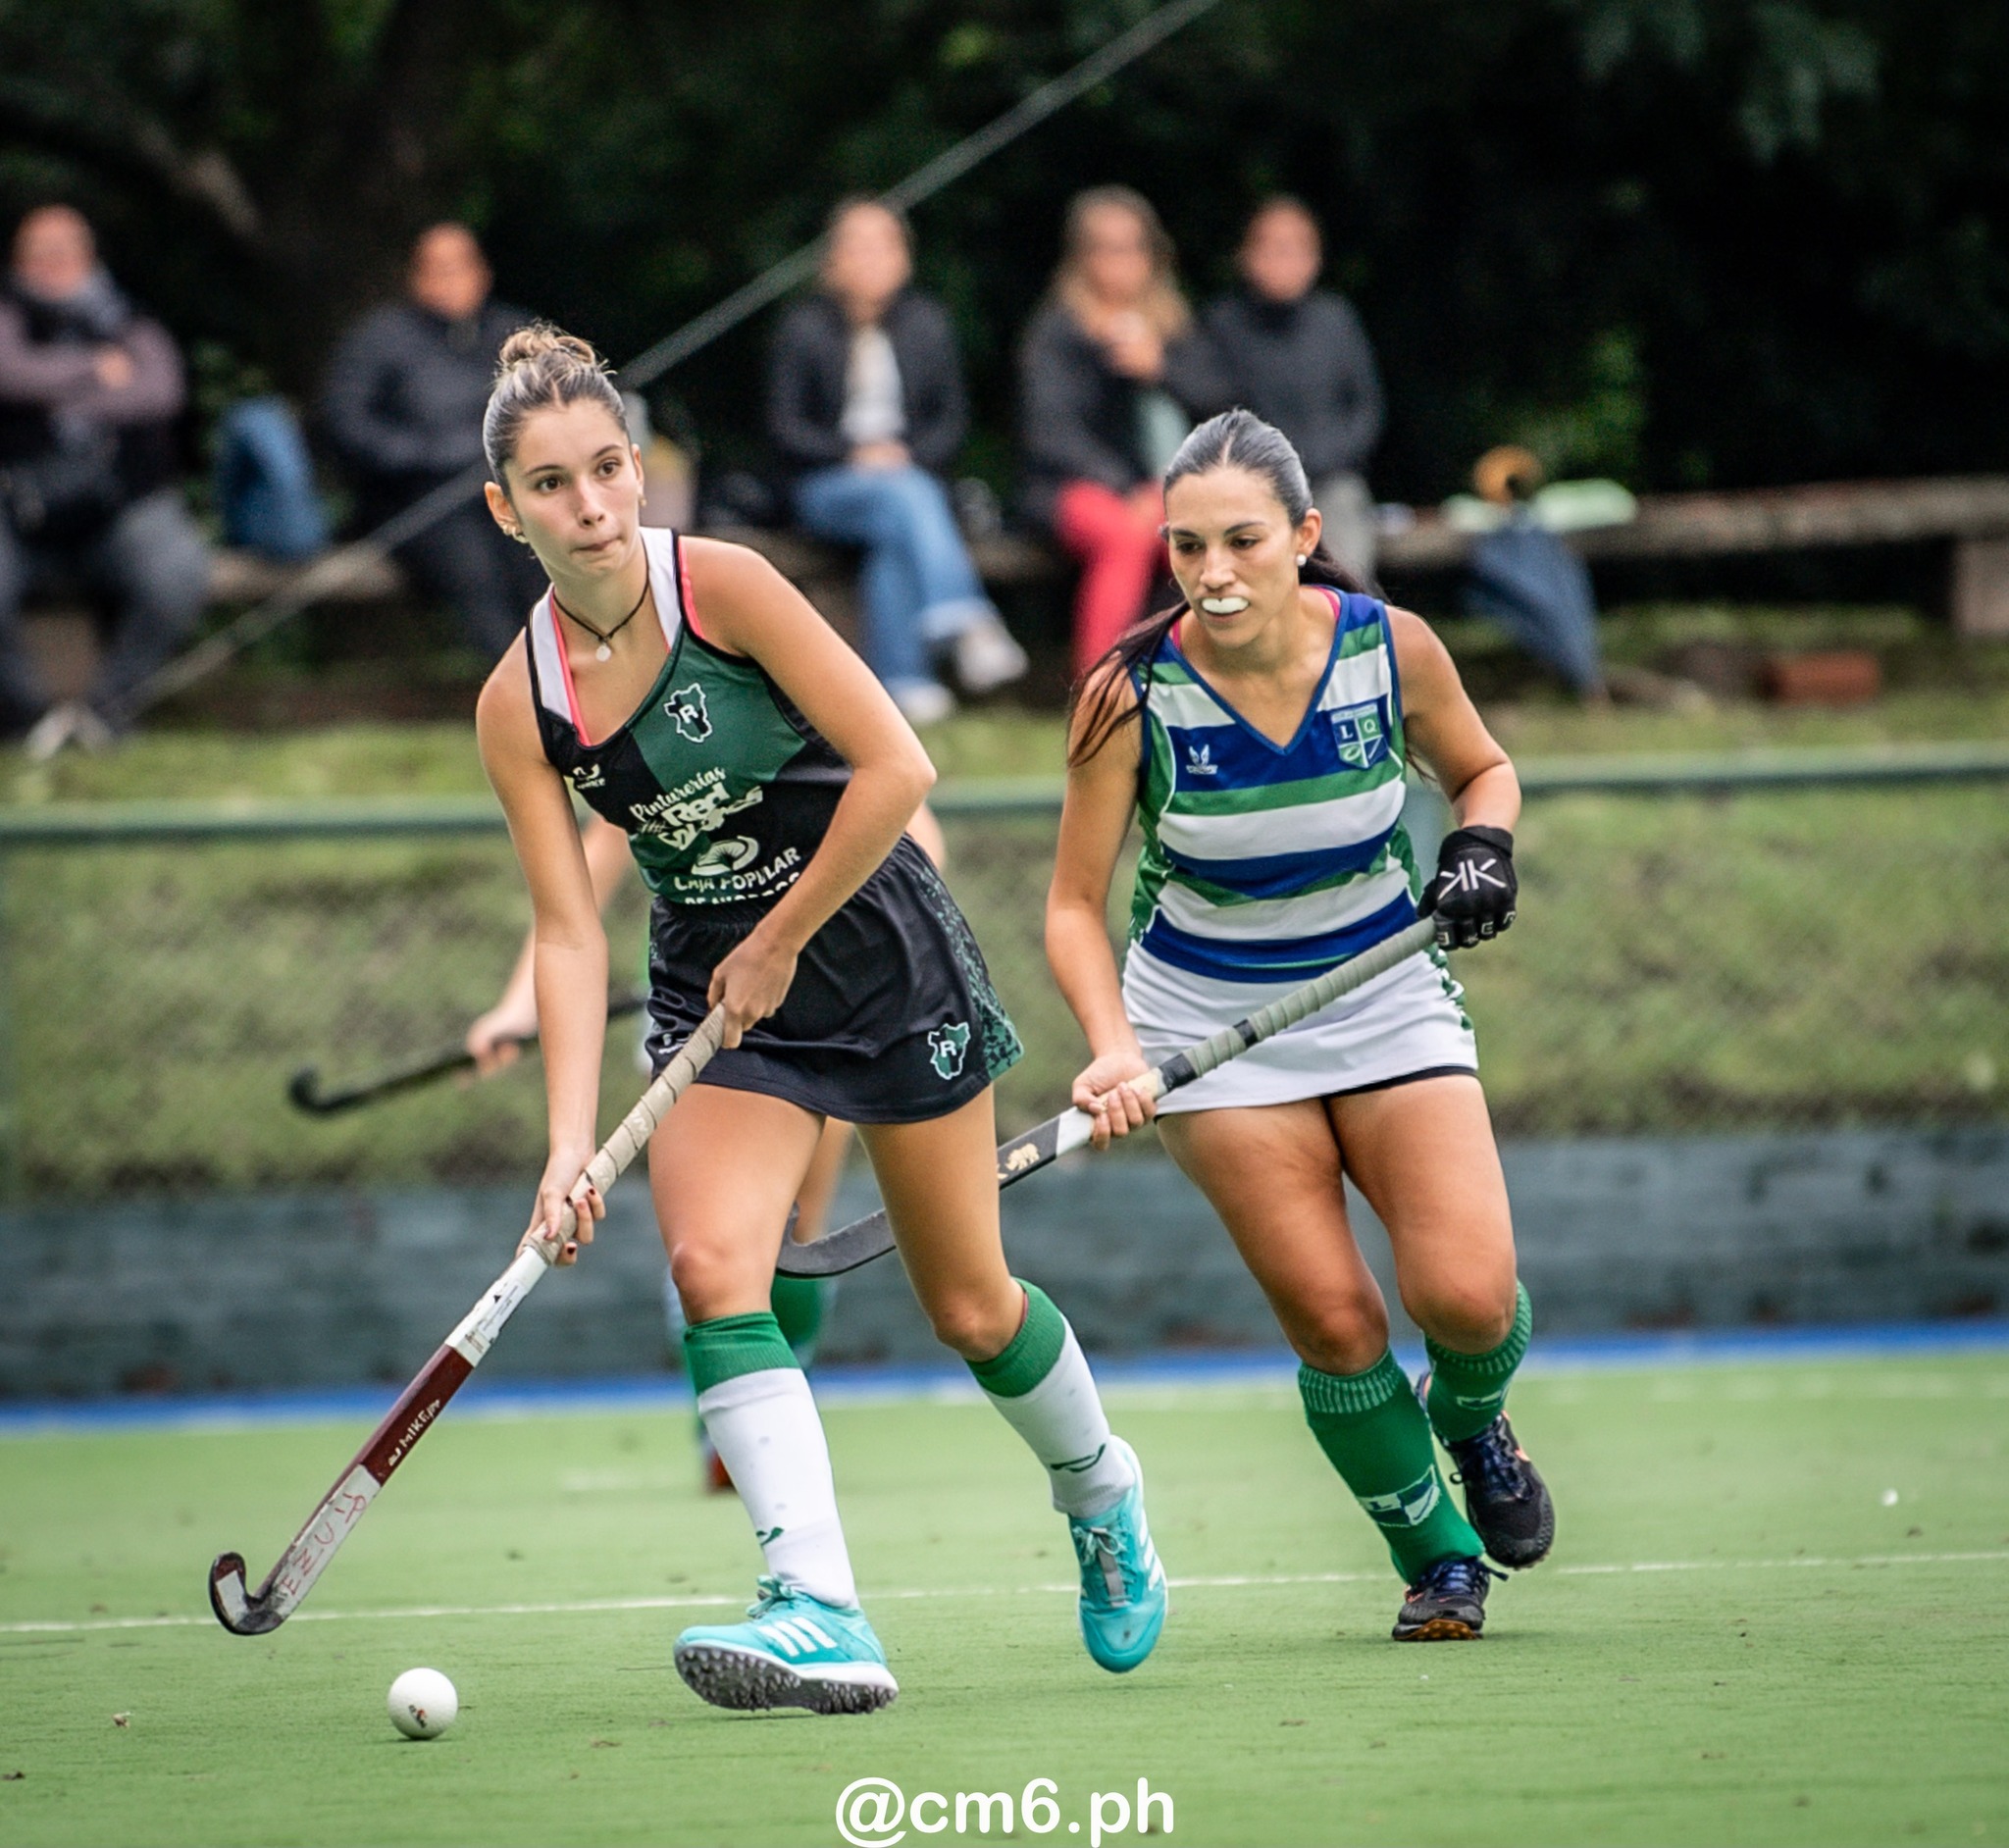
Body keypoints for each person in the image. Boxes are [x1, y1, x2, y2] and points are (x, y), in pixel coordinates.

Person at [473, 324, 1166, 1714]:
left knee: (971, 1305)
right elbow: (563, 929)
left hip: (874, 951)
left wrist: (783, 938)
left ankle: (1103, 1493)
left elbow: (898, 765)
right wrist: (564, 1145)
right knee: (717, 1271)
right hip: (712, 992)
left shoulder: (723, 586)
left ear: (640, 468)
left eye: (608, 468)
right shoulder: (517, 701)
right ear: (506, 509)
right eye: (552, 485)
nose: (592, 505)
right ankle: (818, 1605)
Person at [1046, 408, 1553, 1645]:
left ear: (1303, 536)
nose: (1211, 575)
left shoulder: (1391, 648)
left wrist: (1480, 846)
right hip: (1207, 1022)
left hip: (1381, 989)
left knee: (1468, 1300)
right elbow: (1070, 904)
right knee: (1333, 1319)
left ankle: (1472, 1417)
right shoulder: (1127, 695)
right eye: (1184, 548)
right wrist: (1112, 1046)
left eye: (1240, 542)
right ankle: (1434, 1559)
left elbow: (1480, 770)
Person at [466, 802, 954, 1494]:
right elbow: (589, 876)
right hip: (693, 1017)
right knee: (705, 1245)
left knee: (797, 1235)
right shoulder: (643, 745)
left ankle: (783, 1393)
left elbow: (913, 831)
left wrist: (852, 933)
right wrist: (520, 1007)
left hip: (829, 1004)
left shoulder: (813, 713)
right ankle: (727, 1427)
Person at [769, 198, 1026, 725]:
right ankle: (963, 615)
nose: (868, 258)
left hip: (910, 487)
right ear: (831, 260)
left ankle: (906, 681)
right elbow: (784, 428)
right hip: (825, 486)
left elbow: (952, 422)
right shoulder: (802, 328)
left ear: (904, 257)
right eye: (855, 245)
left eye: (882, 244)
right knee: (905, 495)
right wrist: (853, 455)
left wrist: (903, 457)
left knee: (898, 518)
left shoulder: (928, 324)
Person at [0, 204, 211, 751]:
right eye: (38, 252)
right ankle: (29, 718)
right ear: (19, 259)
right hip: (17, 505)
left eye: (64, 249)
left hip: (121, 503)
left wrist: (50, 386)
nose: (52, 262)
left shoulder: (129, 317)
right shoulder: (8, 313)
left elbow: (160, 392)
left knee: (177, 571)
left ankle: (106, 709)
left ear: (87, 254)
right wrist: (96, 369)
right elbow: (10, 374)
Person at [1018, 186, 1231, 676]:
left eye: (1134, 247)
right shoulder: (1058, 333)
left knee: (1206, 534)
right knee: (1127, 535)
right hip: (1073, 488)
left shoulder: (1175, 328)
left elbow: (1223, 408)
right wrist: (1122, 484)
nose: (1123, 261)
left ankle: (1205, 682)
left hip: (1167, 489)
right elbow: (1050, 432)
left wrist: (1161, 370)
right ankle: (1101, 687)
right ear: (1082, 257)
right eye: (1107, 248)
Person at [322, 224, 543, 658]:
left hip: (502, 492)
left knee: (539, 560)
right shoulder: (379, 339)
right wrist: (424, 455)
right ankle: (520, 692)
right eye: (437, 269)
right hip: (417, 502)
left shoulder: (513, 334)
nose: (450, 279)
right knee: (475, 574)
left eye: (460, 267)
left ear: (482, 273)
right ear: (416, 276)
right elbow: (345, 424)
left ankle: (575, 685)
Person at [1206, 197, 1385, 586]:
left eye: (1295, 249)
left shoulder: (1336, 321)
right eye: (1271, 248)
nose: (1282, 261)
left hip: (1332, 480)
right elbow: (1213, 410)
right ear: (1247, 256)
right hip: (1250, 484)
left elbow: (1367, 410)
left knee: (1345, 561)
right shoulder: (1222, 326)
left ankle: (1353, 633)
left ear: (1314, 259)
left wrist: (1323, 459)